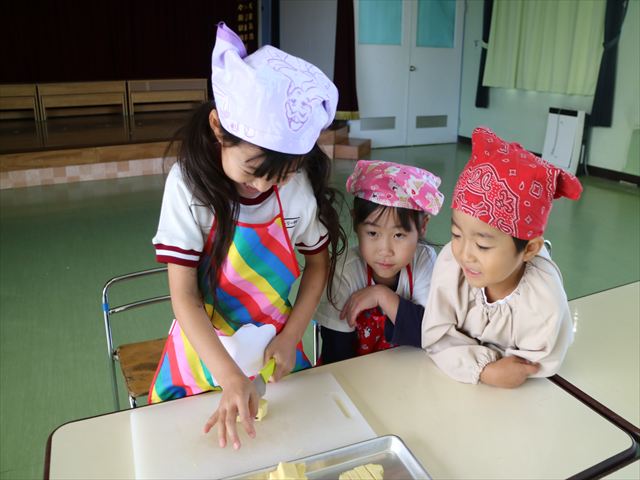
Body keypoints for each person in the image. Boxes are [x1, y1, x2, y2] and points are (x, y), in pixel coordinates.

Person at [147, 22, 346, 449]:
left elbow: (318, 265)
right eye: (254, 171)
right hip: (204, 356)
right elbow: (184, 296)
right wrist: (229, 375)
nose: (264, 186)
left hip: (275, 349)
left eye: (284, 173)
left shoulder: (295, 189)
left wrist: (292, 336)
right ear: (219, 128)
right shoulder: (188, 187)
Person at [421, 126, 583, 388]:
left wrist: (465, 355)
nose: (464, 254)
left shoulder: (543, 298)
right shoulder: (451, 266)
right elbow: (436, 336)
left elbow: (531, 365)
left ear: (529, 249)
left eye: (482, 245)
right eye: (456, 234)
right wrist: (486, 370)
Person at [315, 160, 444, 363]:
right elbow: (336, 357)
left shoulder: (423, 260)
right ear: (356, 222)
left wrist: (381, 296)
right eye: (373, 233)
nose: (385, 251)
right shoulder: (345, 272)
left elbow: (431, 335)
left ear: (422, 227)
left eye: (399, 235)